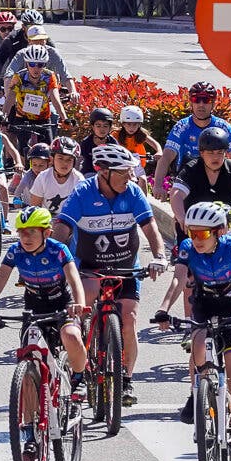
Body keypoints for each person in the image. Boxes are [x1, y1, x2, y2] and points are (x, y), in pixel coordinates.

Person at [53, 144, 167, 407]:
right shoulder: (82, 193)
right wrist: (52, 259)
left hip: (126, 266)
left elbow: (150, 228)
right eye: (123, 173)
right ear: (103, 172)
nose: (129, 178)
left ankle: (126, 379)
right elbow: (62, 230)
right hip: (89, 265)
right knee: (83, 305)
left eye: (131, 172)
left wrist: (159, 256)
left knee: (129, 319)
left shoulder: (133, 192)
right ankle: (78, 365)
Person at [0, 206, 87, 461]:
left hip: (63, 304)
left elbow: (74, 279)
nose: (25, 237)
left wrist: (79, 304)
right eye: (22, 232)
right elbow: (1, 280)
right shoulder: (15, 251)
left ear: (46, 232)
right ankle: (29, 433)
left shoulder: (58, 250)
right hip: (34, 308)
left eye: (32, 232)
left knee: (71, 336)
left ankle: (79, 379)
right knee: (28, 368)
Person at [153, 201, 231, 461]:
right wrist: (164, 308)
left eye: (203, 234)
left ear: (219, 232)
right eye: (191, 232)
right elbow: (178, 279)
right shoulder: (187, 248)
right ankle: (196, 393)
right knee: (197, 347)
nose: (196, 239)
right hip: (204, 305)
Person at [151, 81, 231, 200]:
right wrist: (157, 185)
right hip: (188, 178)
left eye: (206, 100)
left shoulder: (223, 127)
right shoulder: (182, 127)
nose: (201, 104)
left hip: (216, 177)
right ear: (191, 103)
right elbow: (166, 157)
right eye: (197, 100)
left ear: (213, 104)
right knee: (181, 214)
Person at [169, 126, 231, 250]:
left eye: (220, 153)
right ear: (201, 153)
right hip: (196, 219)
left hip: (227, 216)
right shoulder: (191, 169)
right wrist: (181, 217)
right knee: (187, 249)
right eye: (210, 153)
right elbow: (176, 194)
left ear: (226, 153)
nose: (215, 157)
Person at [3, 44, 68, 155]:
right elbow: (10, 99)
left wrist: (65, 118)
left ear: (45, 65)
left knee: (48, 151)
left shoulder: (49, 76)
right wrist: (3, 117)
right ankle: (21, 169)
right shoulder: (18, 77)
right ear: (26, 64)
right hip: (23, 118)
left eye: (40, 65)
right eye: (32, 64)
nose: (36, 68)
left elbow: (55, 98)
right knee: (23, 150)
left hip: (43, 118)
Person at [114, 106, 162, 192]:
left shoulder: (141, 134)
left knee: (143, 181)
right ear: (123, 124)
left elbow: (155, 143)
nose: (131, 128)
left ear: (139, 124)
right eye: (128, 124)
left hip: (137, 164)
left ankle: (144, 203)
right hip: (122, 164)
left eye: (135, 124)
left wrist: (159, 151)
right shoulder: (116, 135)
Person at [29, 136, 82, 215]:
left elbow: (82, 208)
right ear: (52, 159)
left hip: (69, 220)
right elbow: (34, 207)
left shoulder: (79, 180)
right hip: (45, 221)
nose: (65, 163)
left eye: (69, 159)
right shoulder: (43, 177)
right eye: (60, 158)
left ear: (74, 162)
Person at [78, 108, 119, 173]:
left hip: (107, 174)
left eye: (105, 126)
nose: (102, 129)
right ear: (93, 127)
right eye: (98, 126)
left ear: (110, 127)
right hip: (89, 174)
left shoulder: (113, 142)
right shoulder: (86, 142)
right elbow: (79, 160)